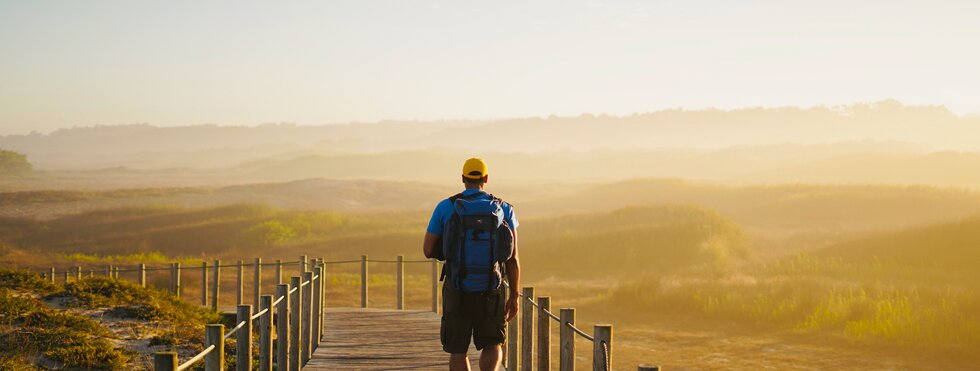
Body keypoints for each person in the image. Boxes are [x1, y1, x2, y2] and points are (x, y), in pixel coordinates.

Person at [423, 157, 520, 371]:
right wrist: (514, 296)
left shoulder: (446, 207)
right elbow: (512, 258)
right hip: (490, 289)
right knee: (493, 344)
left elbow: (428, 250)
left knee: (458, 349)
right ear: (486, 178)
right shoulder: (504, 209)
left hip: (457, 288)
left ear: (463, 179)